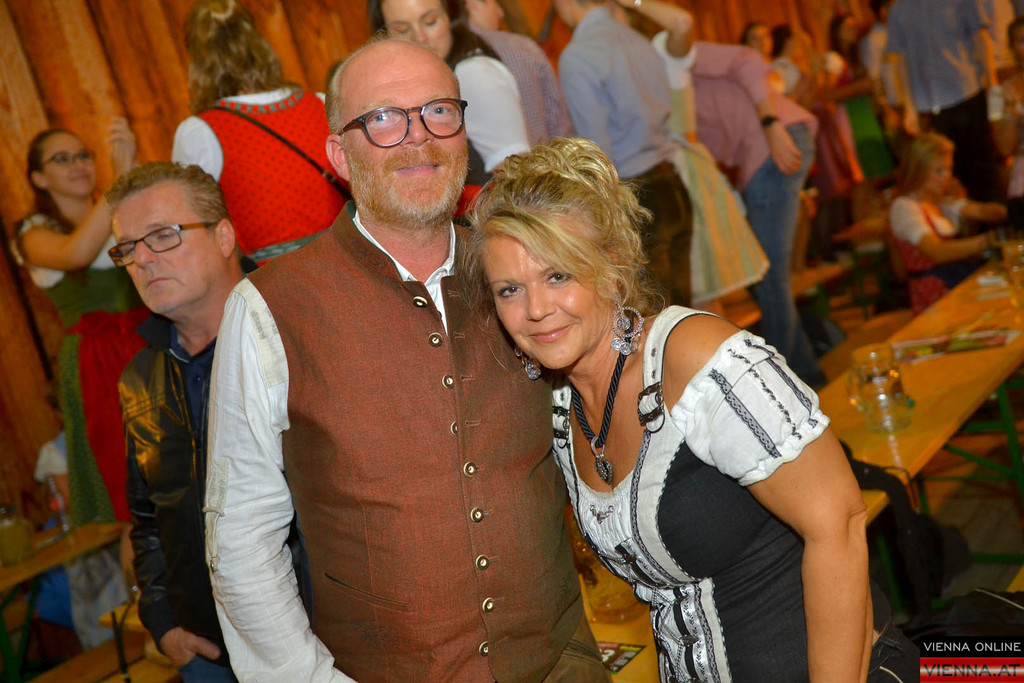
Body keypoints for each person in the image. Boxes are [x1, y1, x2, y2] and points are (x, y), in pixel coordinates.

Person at [203, 38, 606, 682]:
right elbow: (241, 539)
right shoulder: (267, 309)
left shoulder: (522, 275)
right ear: (340, 155)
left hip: (562, 660)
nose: (419, 137)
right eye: (384, 119)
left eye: (439, 111)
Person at [465, 136, 920, 682]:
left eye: (558, 275)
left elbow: (839, 524)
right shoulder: (557, 402)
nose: (536, 309)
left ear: (611, 264)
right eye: (509, 290)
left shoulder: (697, 359)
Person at [109, 162, 244, 682]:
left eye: (163, 235)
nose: (142, 258)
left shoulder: (293, 333)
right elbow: (147, 519)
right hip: (205, 650)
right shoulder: (139, 379)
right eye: (127, 247)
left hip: (317, 643)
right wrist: (162, 621)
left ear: (224, 236)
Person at [15, 122, 147, 528]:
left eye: (84, 155)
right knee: (134, 494)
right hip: (98, 359)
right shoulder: (34, 232)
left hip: (147, 340)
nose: (78, 165)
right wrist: (120, 181)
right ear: (39, 178)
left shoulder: (117, 210)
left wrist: (132, 176)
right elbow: (76, 253)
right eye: (62, 159)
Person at [609, 0, 768, 307]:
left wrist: (633, 1)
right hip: (653, 183)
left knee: (701, 299)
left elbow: (682, 23)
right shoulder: (620, 60)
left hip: (683, 176)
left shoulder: (661, 51)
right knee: (682, 300)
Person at [173, 0, 348, 262]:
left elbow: (193, 233)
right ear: (257, 42)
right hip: (348, 263)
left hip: (273, 279)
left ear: (196, 60)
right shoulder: (320, 104)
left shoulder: (198, 133)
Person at [554, 0, 694, 307]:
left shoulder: (579, 55)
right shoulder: (639, 41)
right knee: (683, 312)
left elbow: (597, 154)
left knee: (652, 317)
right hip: (672, 185)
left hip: (635, 198)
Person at [368, 0, 531, 184]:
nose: (420, 38)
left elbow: (517, 176)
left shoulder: (473, 74)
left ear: (451, 17)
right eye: (402, 30)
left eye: (430, 22)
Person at [886, 0, 1003, 202]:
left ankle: (994, 217)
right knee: (941, 178)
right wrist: (909, 108)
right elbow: (901, 58)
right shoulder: (899, 9)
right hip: (928, 106)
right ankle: (959, 220)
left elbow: (980, 37)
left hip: (966, 93)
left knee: (982, 169)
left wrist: (992, 83)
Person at [890, 133, 1005, 312]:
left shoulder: (940, 202)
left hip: (955, 286)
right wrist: (988, 240)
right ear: (919, 170)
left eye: (948, 169)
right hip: (935, 299)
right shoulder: (904, 207)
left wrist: (1007, 210)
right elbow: (937, 252)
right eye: (938, 170)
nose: (946, 176)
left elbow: (984, 211)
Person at [463, 0, 573, 144]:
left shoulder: (450, 58)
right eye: (496, 4)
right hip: (543, 154)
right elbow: (558, 121)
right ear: (472, 4)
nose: (501, 14)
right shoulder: (523, 48)